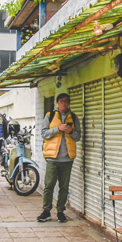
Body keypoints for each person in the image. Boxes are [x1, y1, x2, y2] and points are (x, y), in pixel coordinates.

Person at [37, 93, 81, 223]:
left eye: (66, 101)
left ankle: (61, 211)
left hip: (67, 159)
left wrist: (71, 132)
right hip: (52, 158)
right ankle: (46, 211)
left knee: (64, 187)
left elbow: (78, 137)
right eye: (61, 101)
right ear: (57, 103)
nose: (64, 104)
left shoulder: (73, 117)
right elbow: (44, 133)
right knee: (49, 185)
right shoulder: (49, 116)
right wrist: (58, 129)